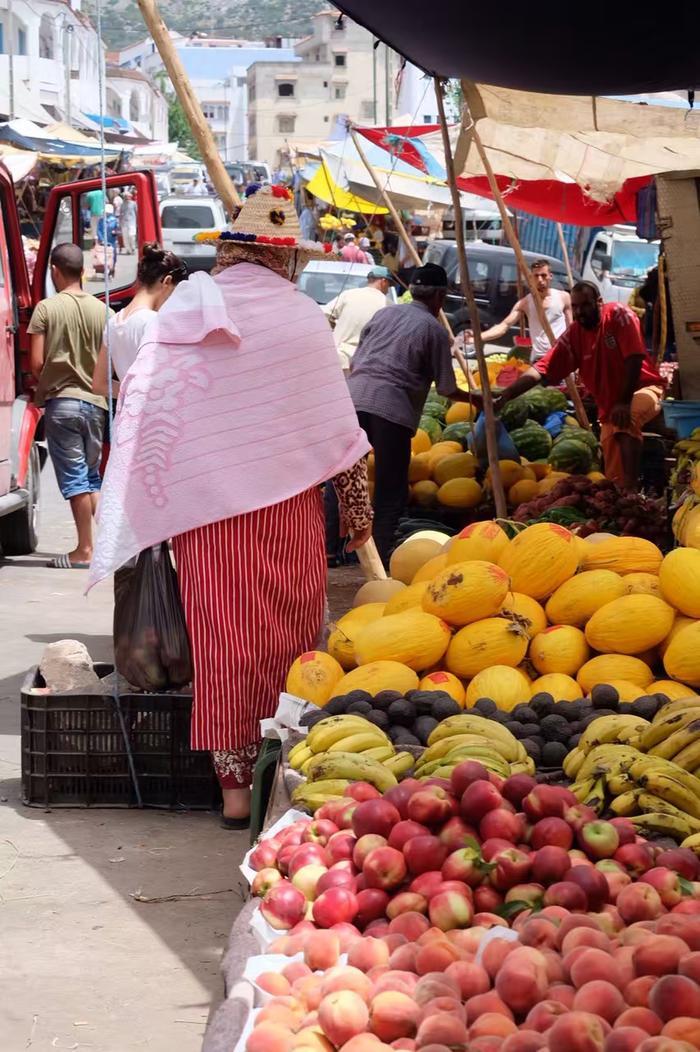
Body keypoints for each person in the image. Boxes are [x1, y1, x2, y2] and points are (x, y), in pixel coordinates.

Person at [87, 185, 373, 826]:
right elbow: (339, 430)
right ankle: (285, 774)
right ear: (286, 259)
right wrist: (357, 517)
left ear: (233, 252)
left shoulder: (184, 312)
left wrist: (159, 500)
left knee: (224, 644)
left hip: (207, 514)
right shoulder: (301, 317)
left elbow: (149, 407)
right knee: (292, 634)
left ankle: (234, 793)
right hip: (288, 512)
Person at [348, 262, 480, 565]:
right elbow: (447, 388)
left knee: (346, 479)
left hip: (353, 398)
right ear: (440, 297)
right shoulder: (433, 329)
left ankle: (331, 548)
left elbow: (356, 362)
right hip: (391, 410)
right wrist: (477, 400)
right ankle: (378, 558)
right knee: (390, 488)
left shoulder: (385, 313)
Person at [496, 281, 665, 488]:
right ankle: (620, 495)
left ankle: (631, 489)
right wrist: (507, 394)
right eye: (575, 307)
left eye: (585, 305)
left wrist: (623, 401)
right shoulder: (575, 334)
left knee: (624, 421)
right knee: (612, 459)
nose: (579, 312)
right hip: (611, 408)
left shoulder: (619, 315)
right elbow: (542, 368)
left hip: (643, 390)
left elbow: (634, 359)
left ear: (599, 302)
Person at [28, 243, 111, 569]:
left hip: (63, 404)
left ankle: (85, 550)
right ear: (84, 271)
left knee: (76, 480)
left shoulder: (46, 309)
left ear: (54, 271)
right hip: (96, 404)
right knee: (91, 479)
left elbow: (36, 363)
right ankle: (117, 545)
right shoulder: (105, 311)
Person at [92, 243, 187, 401]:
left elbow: (99, 384)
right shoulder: (153, 322)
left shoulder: (113, 322)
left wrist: (130, 395)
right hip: (154, 416)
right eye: (173, 292)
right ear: (167, 281)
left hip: (126, 418)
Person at [463, 259, 572, 362]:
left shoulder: (563, 297)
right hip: (538, 359)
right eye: (536, 276)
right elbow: (503, 326)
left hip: (560, 357)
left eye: (543, 276)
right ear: (531, 278)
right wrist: (478, 337)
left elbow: (571, 329)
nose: (540, 280)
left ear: (550, 276)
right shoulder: (525, 303)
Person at [322, 267, 394, 373]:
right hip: (365, 365)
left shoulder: (348, 294)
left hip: (337, 359)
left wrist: (332, 332)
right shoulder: (388, 305)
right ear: (383, 281)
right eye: (389, 285)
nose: (388, 290)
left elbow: (324, 315)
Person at [96, 204, 119, 277]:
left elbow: (118, 230)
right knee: (104, 256)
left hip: (112, 241)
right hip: (103, 241)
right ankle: (105, 270)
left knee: (113, 256)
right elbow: (98, 230)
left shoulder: (115, 220)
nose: (106, 214)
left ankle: (112, 269)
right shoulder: (101, 220)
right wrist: (101, 239)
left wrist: (115, 232)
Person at [120, 190, 137, 255]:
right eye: (125, 196)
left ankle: (133, 248)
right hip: (124, 223)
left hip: (132, 222)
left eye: (127, 196)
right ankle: (128, 249)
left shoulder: (133, 203)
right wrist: (120, 222)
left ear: (130, 197)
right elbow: (121, 213)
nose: (126, 198)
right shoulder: (122, 204)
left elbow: (136, 212)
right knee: (125, 237)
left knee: (131, 236)